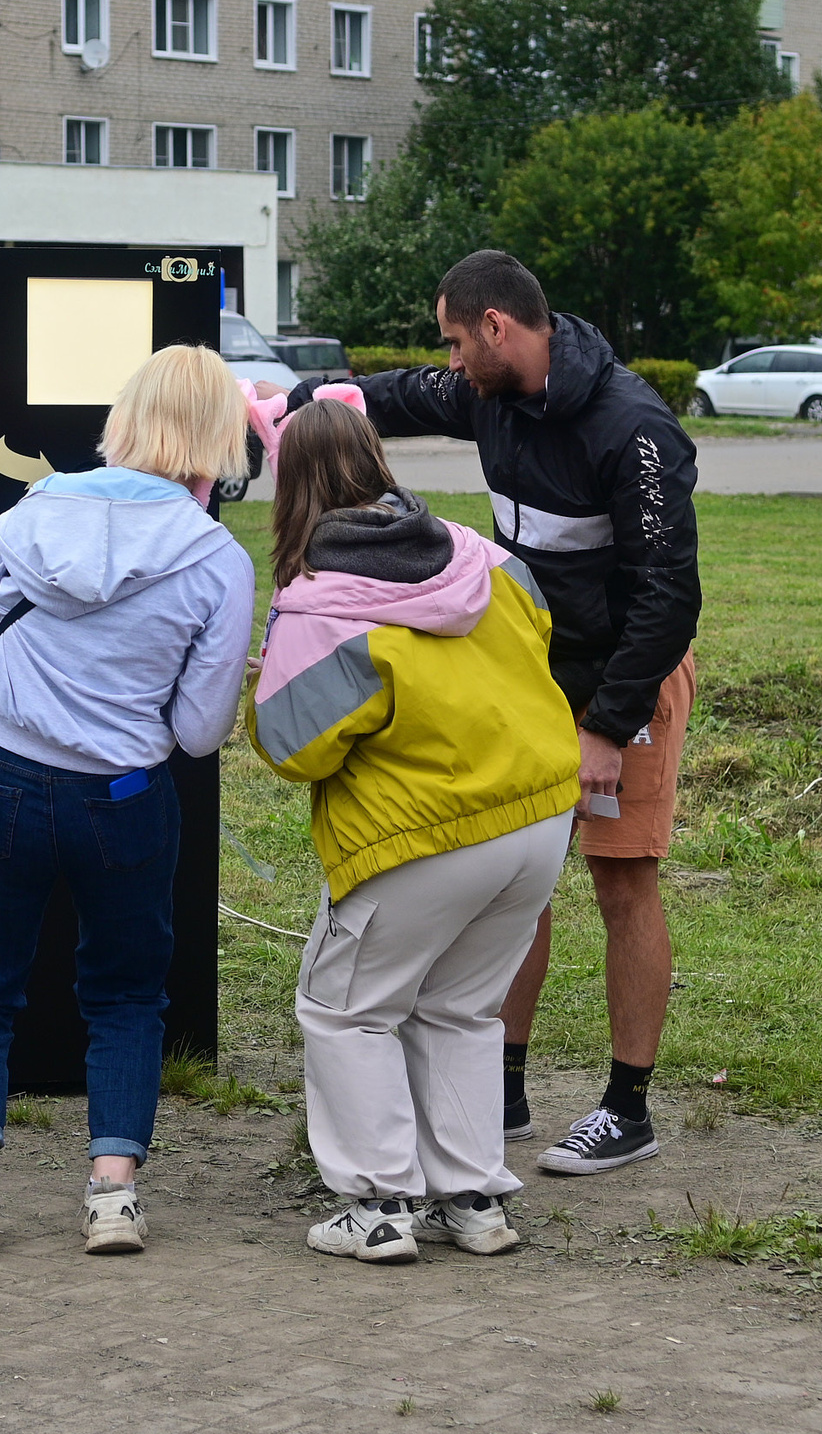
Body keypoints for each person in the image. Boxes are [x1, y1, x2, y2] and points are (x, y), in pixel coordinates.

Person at [287, 249, 700, 1177]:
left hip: (626, 682)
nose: (448, 358)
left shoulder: (631, 426)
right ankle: (502, 1090)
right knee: (523, 880)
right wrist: (293, 399)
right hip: (535, 683)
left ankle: (626, 1107)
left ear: (497, 328)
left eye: (453, 338)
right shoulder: (488, 392)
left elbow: (670, 596)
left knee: (622, 881)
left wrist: (607, 722)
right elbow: (391, 397)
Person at [0, 344, 255, 1261]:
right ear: (217, 436)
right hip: (123, 792)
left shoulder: (38, 507)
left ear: (126, 416)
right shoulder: (217, 558)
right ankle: (113, 1196)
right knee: (124, 992)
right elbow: (199, 730)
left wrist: (20, 695)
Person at [248, 399, 580, 1263]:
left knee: (344, 1009)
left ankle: (378, 1203)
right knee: (463, 1008)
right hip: (536, 813)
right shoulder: (486, 555)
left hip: (418, 838)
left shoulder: (319, 601)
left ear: (289, 487)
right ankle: (471, 1198)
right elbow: (542, 635)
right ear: (376, 456)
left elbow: (297, 748)